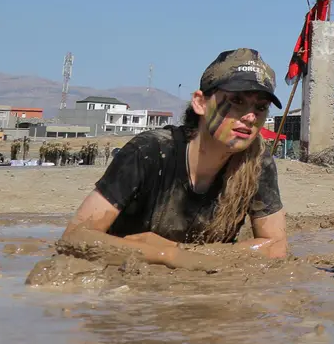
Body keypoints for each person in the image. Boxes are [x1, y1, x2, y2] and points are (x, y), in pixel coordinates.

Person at [60, 48, 287, 270]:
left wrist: (181, 253)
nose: (250, 117)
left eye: (260, 107)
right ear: (200, 102)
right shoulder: (149, 152)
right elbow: (74, 238)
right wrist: (165, 255)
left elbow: (275, 248)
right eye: (236, 101)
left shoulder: (257, 162)